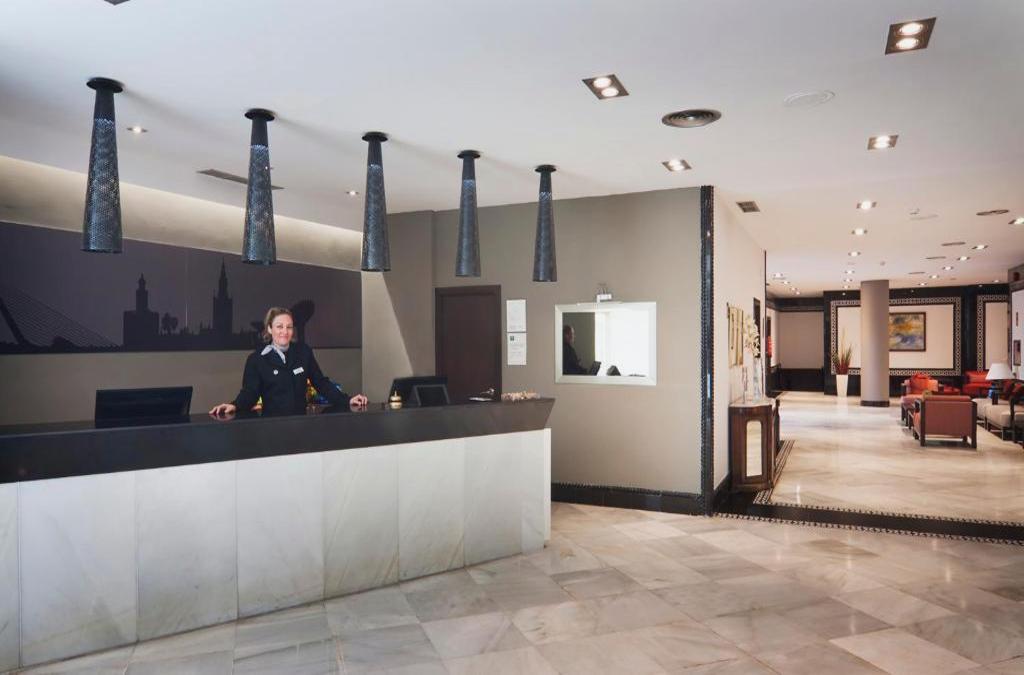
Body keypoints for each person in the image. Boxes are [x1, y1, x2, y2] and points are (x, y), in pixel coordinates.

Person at [209, 307, 368, 417]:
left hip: (300, 426)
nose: (285, 332)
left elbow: (321, 383)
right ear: (269, 329)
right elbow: (250, 393)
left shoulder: (303, 352)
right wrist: (234, 405)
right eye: (279, 326)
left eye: (289, 327)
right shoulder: (256, 359)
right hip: (271, 428)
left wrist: (347, 400)